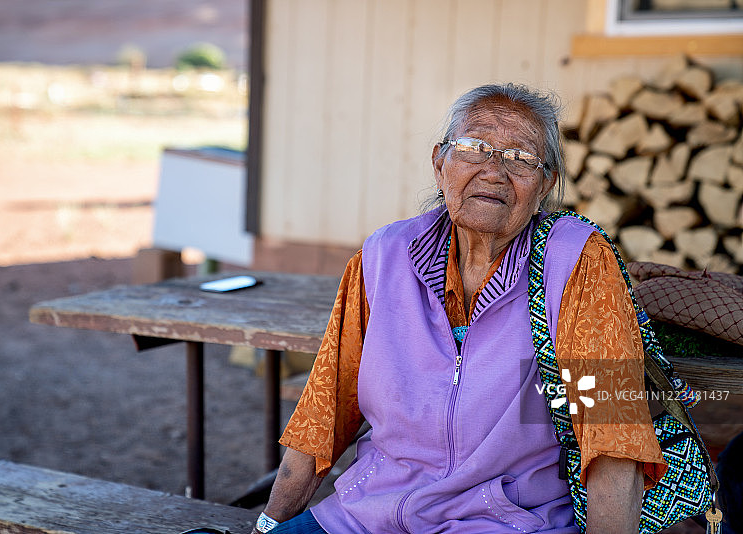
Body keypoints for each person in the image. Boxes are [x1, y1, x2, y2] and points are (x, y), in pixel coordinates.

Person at [251, 83, 667, 534]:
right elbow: (326, 409)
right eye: (474, 148)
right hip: (366, 516)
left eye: (521, 158)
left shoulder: (576, 262)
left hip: (504, 522)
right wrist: (268, 525)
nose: (494, 172)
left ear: (545, 184)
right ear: (439, 163)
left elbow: (612, 433)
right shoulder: (384, 256)